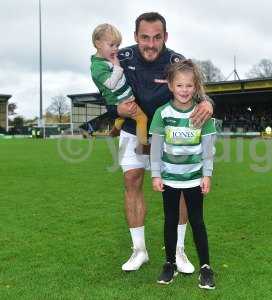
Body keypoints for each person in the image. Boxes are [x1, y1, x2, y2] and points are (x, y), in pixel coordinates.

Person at [106, 12, 214, 273]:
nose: (151, 44)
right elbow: (107, 95)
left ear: (165, 37)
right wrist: (116, 110)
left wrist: (209, 104)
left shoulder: (175, 61)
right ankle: (139, 250)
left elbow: (197, 92)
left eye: (157, 38)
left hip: (169, 133)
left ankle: (178, 251)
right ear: (135, 37)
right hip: (133, 130)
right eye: (145, 38)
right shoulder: (122, 59)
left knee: (181, 184)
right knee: (131, 180)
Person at [150, 59, 216, 289]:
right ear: (170, 86)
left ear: (195, 86)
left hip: (194, 178)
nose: (184, 90)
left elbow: (208, 149)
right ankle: (169, 264)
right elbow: (156, 148)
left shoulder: (202, 114)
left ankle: (206, 268)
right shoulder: (162, 113)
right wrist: (156, 175)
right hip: (169, 178)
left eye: (189, 85)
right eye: (179, 85)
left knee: (197, 221)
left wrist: (207, 175)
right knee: (170, 220)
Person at [90, 23, 148, 148]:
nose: (115, 49)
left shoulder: (105, 59)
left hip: (124, 96)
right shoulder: (97, 67)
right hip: (120, 100)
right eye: (111, 45)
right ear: (98, 44)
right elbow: (111, 84)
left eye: (117, 45)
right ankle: (143, 146)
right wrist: (117, 67)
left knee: (123, 117)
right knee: (142, 118)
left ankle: (114, 131)